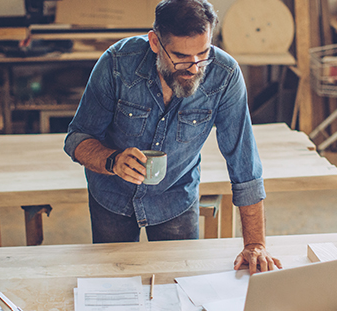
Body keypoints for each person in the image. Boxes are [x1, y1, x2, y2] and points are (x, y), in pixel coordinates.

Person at [64, 0, 281, 274]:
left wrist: (256, 244)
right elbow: (77, 138)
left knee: (181, 288)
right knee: (113, 282)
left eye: (202, 54)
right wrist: (113, 161)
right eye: (180, 56)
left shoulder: (224, 76)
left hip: (175, 198)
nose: (193, 68)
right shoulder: (117, 64)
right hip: (112, 196)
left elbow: (244, 164)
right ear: (154, 42)